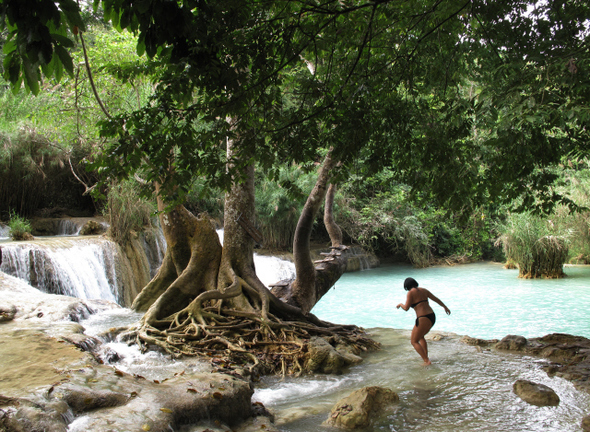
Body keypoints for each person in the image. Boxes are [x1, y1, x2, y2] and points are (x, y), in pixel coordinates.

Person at [396, 277, 451, 366]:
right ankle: (426, 356)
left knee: (413, 341)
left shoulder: (410, 293)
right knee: (421, 336)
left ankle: (426, 361)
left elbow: (406, 308)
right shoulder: (424, 290)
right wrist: (445, 307)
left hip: (422, 317)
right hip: (432, 316)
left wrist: (400, 304)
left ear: (406, 286)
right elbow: (436, 299)